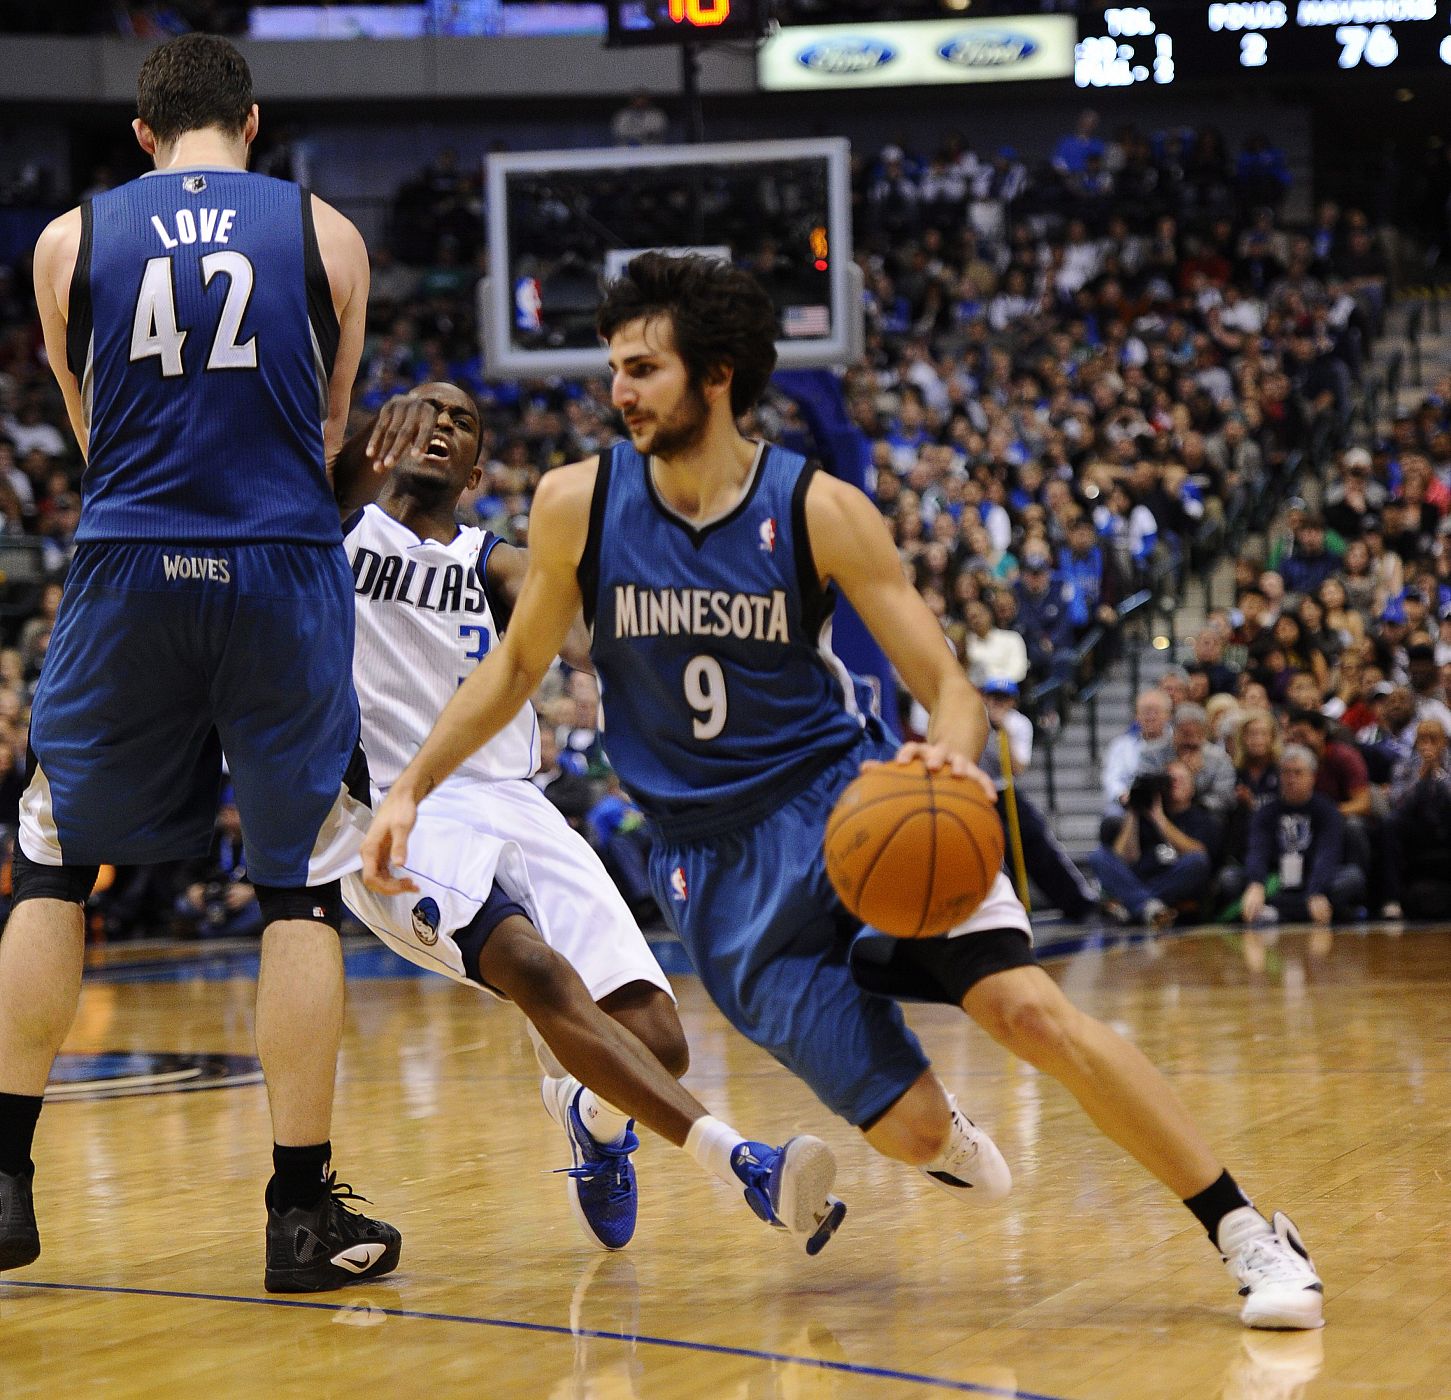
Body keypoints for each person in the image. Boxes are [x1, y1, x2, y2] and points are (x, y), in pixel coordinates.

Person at [362, 253, 1324, 1330]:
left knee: (1024, 1007)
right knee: (911, 1134)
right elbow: (511, 668)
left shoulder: (818, 510)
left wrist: (945, 766)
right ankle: (934, 1113)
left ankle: (1247, 1229)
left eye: (643, 367)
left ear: (716, 374)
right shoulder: (574, 504)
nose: (618, 391)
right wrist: (412, 787)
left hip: (848, 809)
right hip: (716, 875)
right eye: (614, 367)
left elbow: (948, 688)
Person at [0, 35, 400, 1293]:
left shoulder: (67, 240)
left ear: (140, 133)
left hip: (130, 558)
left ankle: (3, 1181)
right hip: (281, 561)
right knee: (297, 890)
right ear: (254, 121)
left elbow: (85, 419)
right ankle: (296, 1213)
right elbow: (328, 430)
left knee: (52, 862)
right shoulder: (328, 236)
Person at [332, 383, 845, 1253]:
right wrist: (366, 446)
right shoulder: (334, 533)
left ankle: (593, 1125)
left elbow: (585, 619)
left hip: (513, 803)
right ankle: (745, 1165)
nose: (440, 424)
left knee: (656, 1040)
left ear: (478, 468)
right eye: (424, 410)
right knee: (533, 971)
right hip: (395, 812)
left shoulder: (491, 561)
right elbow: (322, 472)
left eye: (460, 419)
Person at [1231, 747, 1365, 927]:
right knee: (1229, 879)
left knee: (1352, 877)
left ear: (1312, 777)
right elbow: (1257, 850)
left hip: (1313, 879)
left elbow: (1328, 854)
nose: (1291, 779)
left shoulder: (1326, 810)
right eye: (1286, 773)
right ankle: (1304, 912)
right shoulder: (1266, 812)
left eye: (1298, 773)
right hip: (1276, 881)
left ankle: (1276, 912)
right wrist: (1256, 883)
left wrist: (1316, 890)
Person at [1089, 762, 1214, 930]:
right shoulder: (1142, 814)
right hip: (1139, 876)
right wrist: (1133, 811)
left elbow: (1198, 852)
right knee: (1099, 856)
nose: (1176, 783)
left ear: (1193, 788)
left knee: (1197, 862)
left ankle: (1136, 905)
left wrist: (1159, 818)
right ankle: (1148, 907)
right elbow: (1123, 858)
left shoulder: (1201, 817)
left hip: (1171, 881)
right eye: (1171, 780)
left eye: (1182, 780)